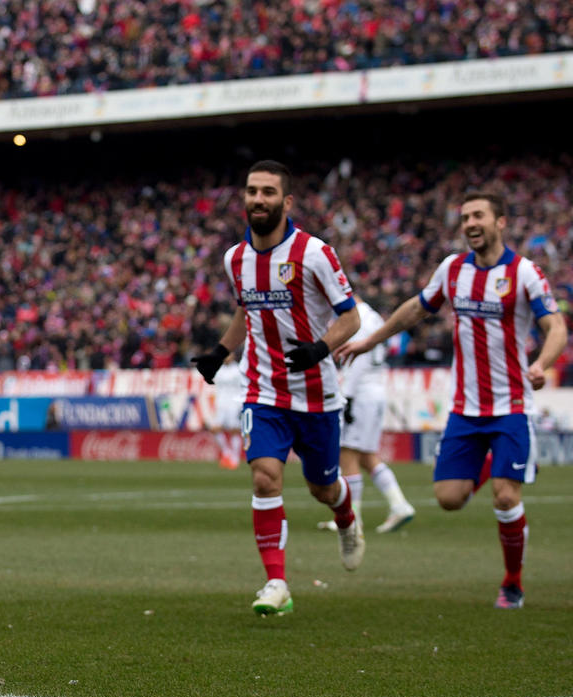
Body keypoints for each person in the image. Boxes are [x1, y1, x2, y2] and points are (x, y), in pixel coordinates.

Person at [336, 190, 567, 609]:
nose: (470, 224)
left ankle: (512, 582)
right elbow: (416, 309)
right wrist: (370, 341)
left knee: (505, 497)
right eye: (465, 218)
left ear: (500, 222)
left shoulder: (525, 273)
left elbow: (556, 327)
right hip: (465, 410)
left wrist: (541, 364)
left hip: (512, 406)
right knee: (448, 499)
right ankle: (491, 466)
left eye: (478, 215)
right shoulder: (453, 269)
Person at [192, 160, 363, 617]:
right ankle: (276, 582)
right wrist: (220, 352)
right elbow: (246, 313)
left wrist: (319, 349)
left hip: (317, 394)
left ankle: (346, 515)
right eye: (251, 191)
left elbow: (351, 318)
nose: (258, 200)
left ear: (286, 201)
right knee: (265, 475)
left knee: (323, 489)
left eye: (268, 192)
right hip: (264, 390)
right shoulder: (235, 258)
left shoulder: (314, 254)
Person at [318, 297, 417, 533]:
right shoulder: (372, 316)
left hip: (361, 393)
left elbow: (357, 359)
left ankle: (353, 518)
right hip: (375, 389)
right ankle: (399, 504)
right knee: (366, 456)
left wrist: (348, 397)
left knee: (347, 454)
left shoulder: (355, 319)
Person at [207, 356, 244, 469]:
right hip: (221, 404)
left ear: (233, 355)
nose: (227, 357)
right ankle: (227, 452)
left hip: (234, 404)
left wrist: (241, 405)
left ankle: (235, 458)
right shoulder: (219, 370)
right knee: (214, 429)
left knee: (234, 431)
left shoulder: (239, 369)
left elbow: (243, 387)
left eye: (229, 355)